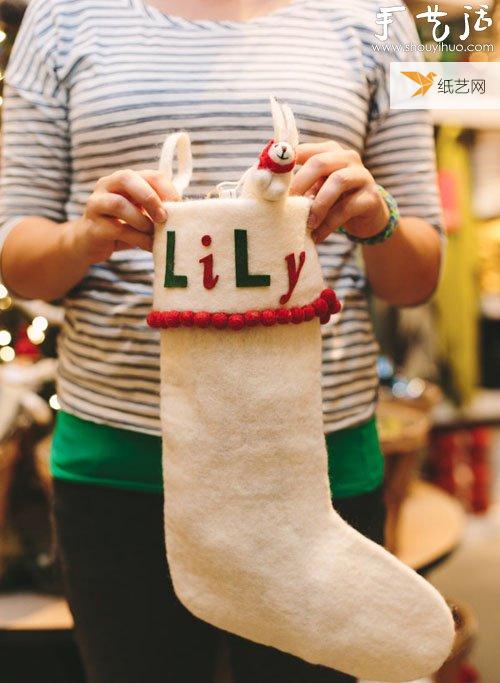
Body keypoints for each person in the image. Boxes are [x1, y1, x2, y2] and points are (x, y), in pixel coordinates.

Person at [0, 0, 443, 681]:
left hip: (313, 468)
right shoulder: (65, 16)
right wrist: (85, 238)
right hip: (121, 461)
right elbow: (16, 252)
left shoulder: (375, 18)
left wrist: (376, 217)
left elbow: (417, 276)